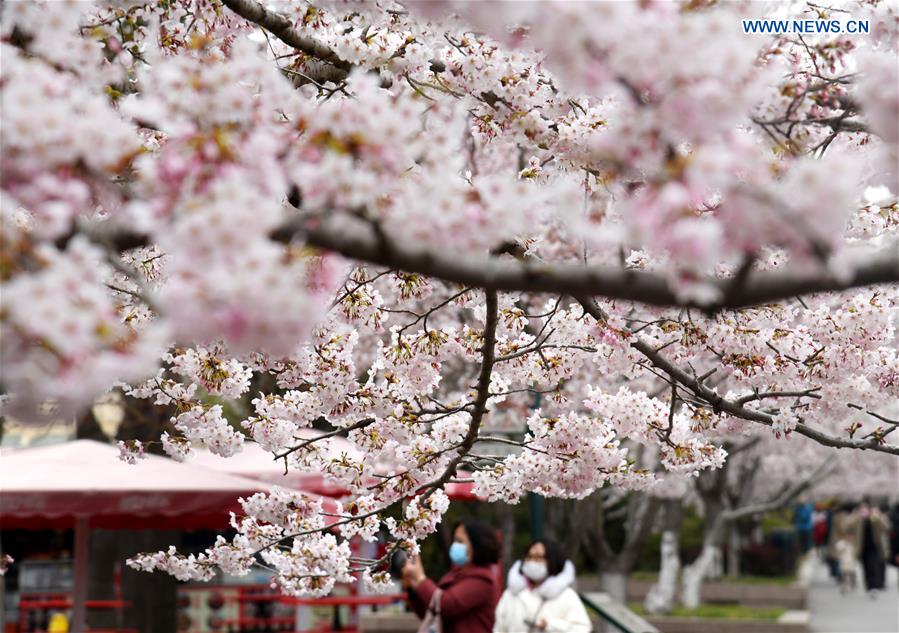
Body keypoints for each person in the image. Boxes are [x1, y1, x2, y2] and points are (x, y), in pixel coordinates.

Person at [403, 518, 501, 633]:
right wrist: (413, 588)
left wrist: (420, 579)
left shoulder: (483, 580)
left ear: (477, 545)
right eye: (454, 541)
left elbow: (446, 605)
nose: (455, 545)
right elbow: (431, 614)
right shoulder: (453, 576)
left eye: (460, 541)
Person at [494, 538, 592, 633]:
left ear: (553, 561)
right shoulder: (511, 594)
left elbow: (582, 628)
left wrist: (550, 625)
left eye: (539, 558)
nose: (532, 561)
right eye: (529, 557)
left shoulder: (567, 596)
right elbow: (499, 629)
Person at [856, 498, 891, 597]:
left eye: (865, 509)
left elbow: (887, 527)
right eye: (862, 509)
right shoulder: (858, 520)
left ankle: (873, 586)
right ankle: (868, 586)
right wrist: (856, 517)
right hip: (862, 547)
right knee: (865, 567)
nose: (864, 511)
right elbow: (846, 528)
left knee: (873, 566)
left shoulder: (875, 519)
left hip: (874, 547)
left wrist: (878, 517)